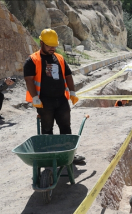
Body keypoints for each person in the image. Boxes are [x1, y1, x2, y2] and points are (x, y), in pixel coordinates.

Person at [23, 28, 84, 163]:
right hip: (44, 101)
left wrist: (72, 92)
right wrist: (35, 98)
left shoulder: (59, 58)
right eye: (49, 45)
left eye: (54, 46)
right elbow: (29, 80)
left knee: (66, 128)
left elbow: (68, 75)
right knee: (47, 129)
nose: (52, 48)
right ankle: (49, 157)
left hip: (61, 99)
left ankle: (69, 156)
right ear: (41, 43)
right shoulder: (32, 60)